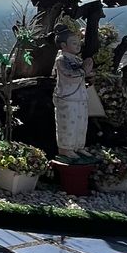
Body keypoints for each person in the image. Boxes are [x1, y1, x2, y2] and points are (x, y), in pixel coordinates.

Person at [53, 27, 94, 160]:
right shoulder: (61, 60)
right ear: (64, 45)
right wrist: (85, 71)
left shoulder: (76, 59)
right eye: (74, 43)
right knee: (68, 123)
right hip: (68, 96)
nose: (78, 46)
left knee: (81, 123)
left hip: (79, 96)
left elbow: (83, 73)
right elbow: (70, 75)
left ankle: (79, 146)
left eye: (78, 43)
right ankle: (66, 148)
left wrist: (89, 71)